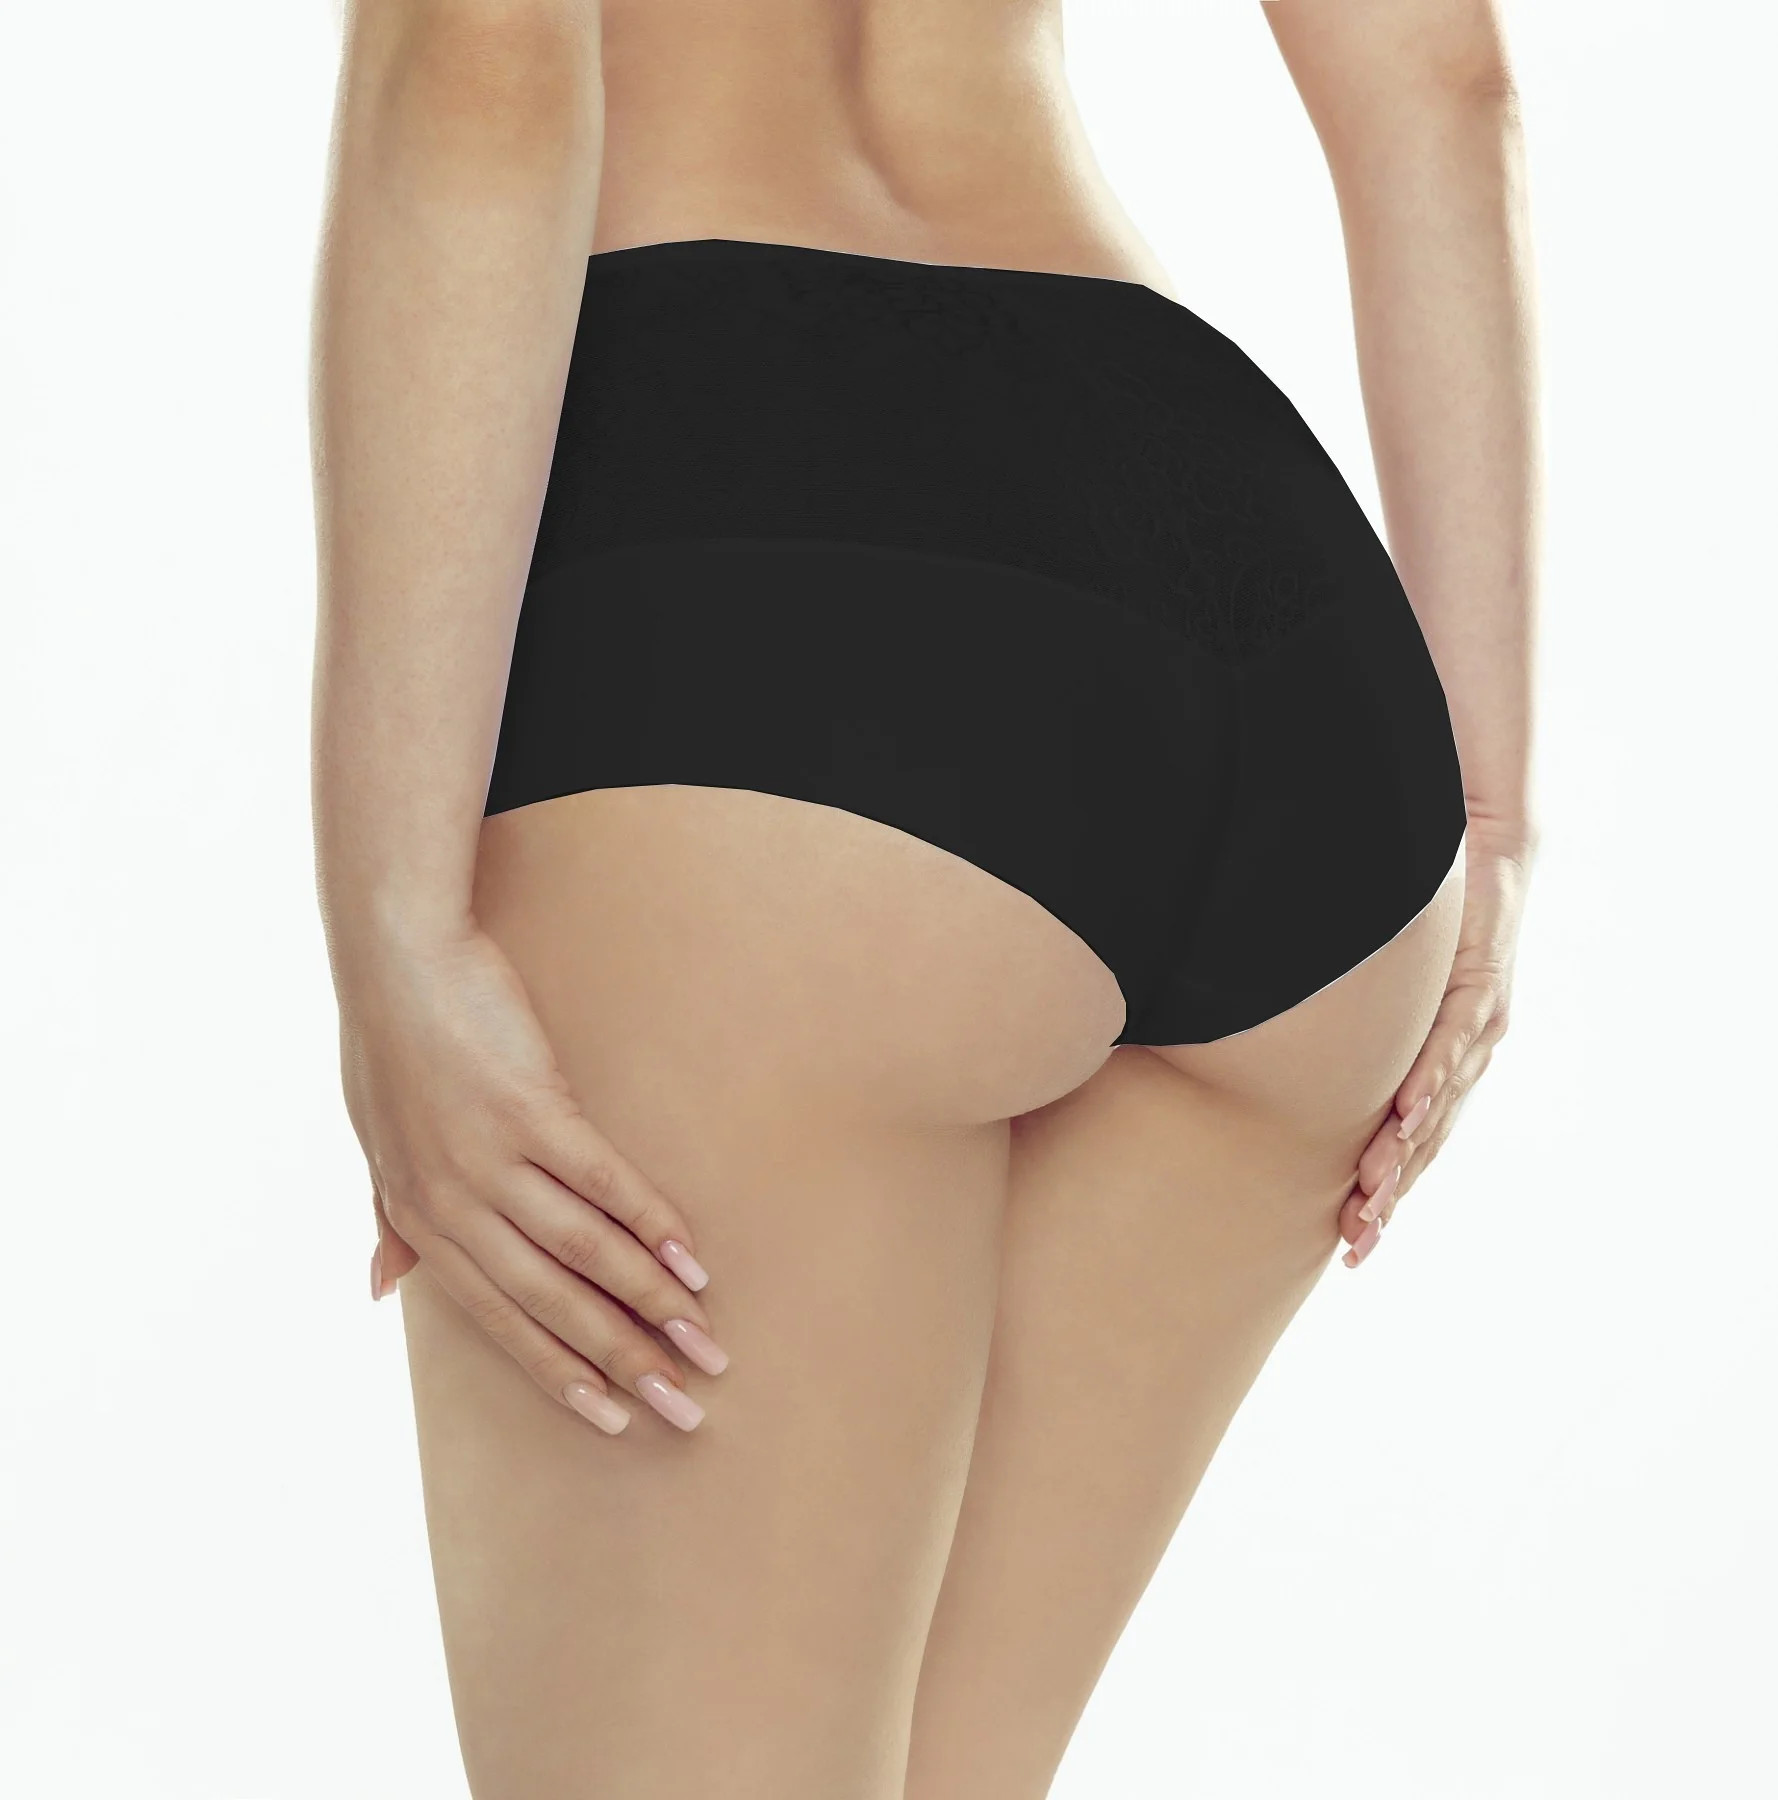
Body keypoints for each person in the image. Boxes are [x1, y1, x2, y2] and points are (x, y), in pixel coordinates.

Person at [308, 0, 1537, 1792]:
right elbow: (1443, 78)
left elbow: (477, 63)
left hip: (755, 600)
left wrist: (396, 918)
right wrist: (1485, 810)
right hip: (1255, 595)